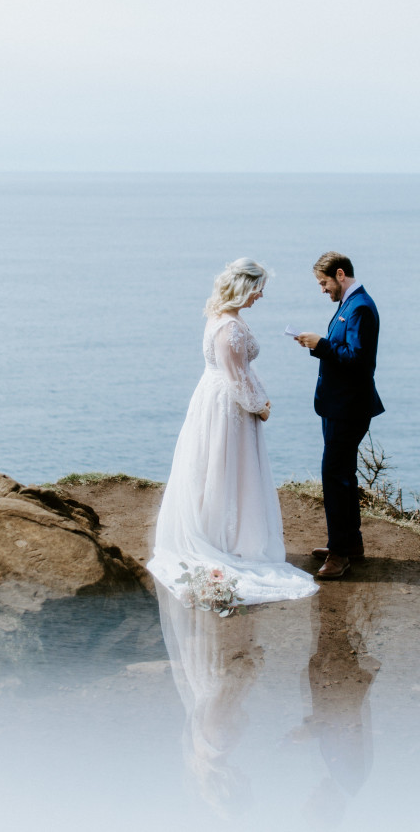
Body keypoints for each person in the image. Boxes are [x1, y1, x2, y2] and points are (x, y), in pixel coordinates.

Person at [147, 258, 320, 607]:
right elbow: (235, 378)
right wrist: (261, 406)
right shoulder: (230, 328)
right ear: (245, 287)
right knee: (229, 469)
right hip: (228, 407)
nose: (260, 297)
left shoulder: (221, 317)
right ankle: (229, 540)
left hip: (215, 400)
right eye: (258, 291)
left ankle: (229, 533)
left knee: (220, 468)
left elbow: (235, 371)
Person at [293, 251, 384, 580]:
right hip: (339, 405)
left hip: (349, 407)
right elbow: (345, 351)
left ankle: (340, 555)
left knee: (334, 478)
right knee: (343, 475)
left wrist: (322, 345)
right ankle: (349, 544)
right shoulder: (350, 304)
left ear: (340, 274)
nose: (322, 289)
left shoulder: (359, 306)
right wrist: (318, 344)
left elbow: (358, 360)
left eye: (324, 282)